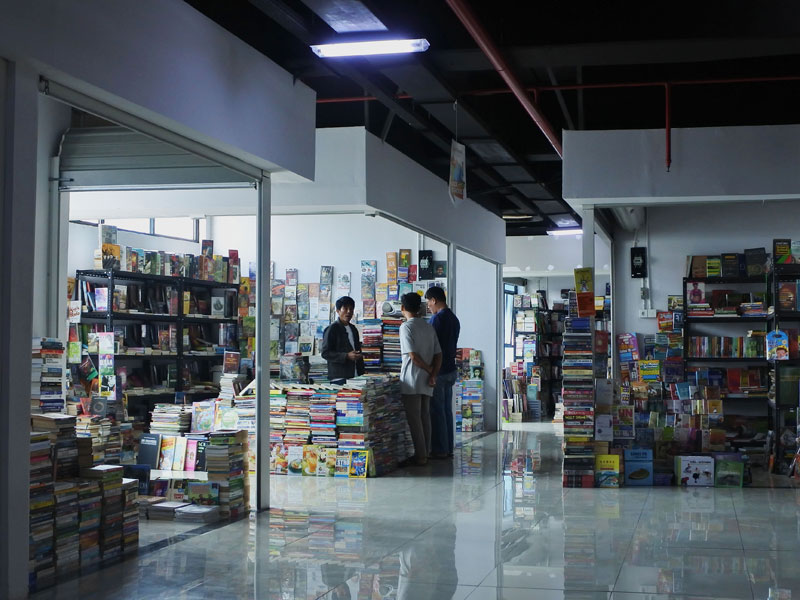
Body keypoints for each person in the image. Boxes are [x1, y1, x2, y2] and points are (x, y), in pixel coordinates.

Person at [399, 292, 441, 466]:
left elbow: (413, 357)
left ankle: (421, 456)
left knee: (415, 419)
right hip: (427, 380)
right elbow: (439, 354)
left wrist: (429, 370)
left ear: (402, 308)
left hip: (411, 379)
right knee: (425, 417)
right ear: (419, 308)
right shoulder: (428, 326)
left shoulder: (406, 327)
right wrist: (433, 374)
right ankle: (427, 452)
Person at [424, 286, 460, 458]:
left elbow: (431, 346)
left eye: (428, 303)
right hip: (451, 369)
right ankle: (448, 448)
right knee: (446, 411)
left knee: (437, 411)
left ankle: (439, 449)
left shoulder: (437, 320)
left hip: (439, 371)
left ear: (434, 300)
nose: (428, 307)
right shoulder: (454, 318)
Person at [321, 296, 364, 383]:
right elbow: (325, 353)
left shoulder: (353, 329)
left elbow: (357, 349)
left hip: (356, 375)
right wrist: (346, 356)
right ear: (338, 311)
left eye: (351, 309)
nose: (348, 312)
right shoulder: (332, 329)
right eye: (345, 308)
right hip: (339, 377)